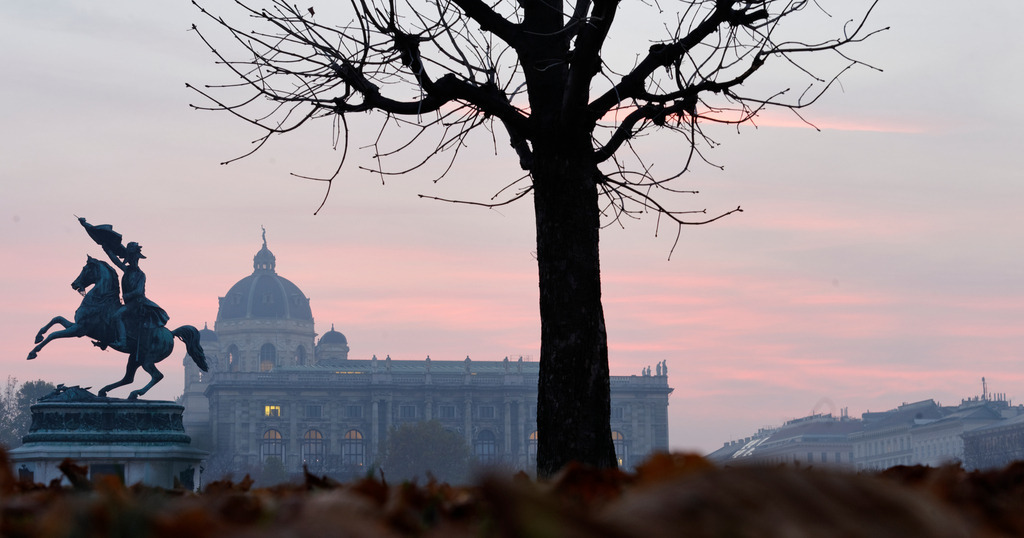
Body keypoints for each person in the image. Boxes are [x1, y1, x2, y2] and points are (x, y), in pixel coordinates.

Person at [79, 218, 169, 349]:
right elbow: (114, 260)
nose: (130, 260)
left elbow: (138, 292)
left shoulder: (140, 274)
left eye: (132, 257)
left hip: (137, 304)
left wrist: (127, 296)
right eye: (129, 257)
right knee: (109, 314)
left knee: (117, 315)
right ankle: (106, 338)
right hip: (128, 303)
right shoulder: (126, 270)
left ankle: (122, 341)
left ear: (136, 258)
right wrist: (106, 247)